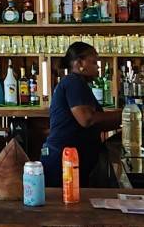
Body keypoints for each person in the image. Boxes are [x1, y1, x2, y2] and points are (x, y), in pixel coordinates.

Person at [41, 41, 116, 187]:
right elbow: (86, 119)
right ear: (79, 63)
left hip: (68, 159)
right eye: (94, 62)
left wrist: (127, 119)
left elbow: (98, 123)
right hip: (62, 160)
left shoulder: (79, 84)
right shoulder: (73, 82)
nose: (98, 66)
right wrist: (124, 113)